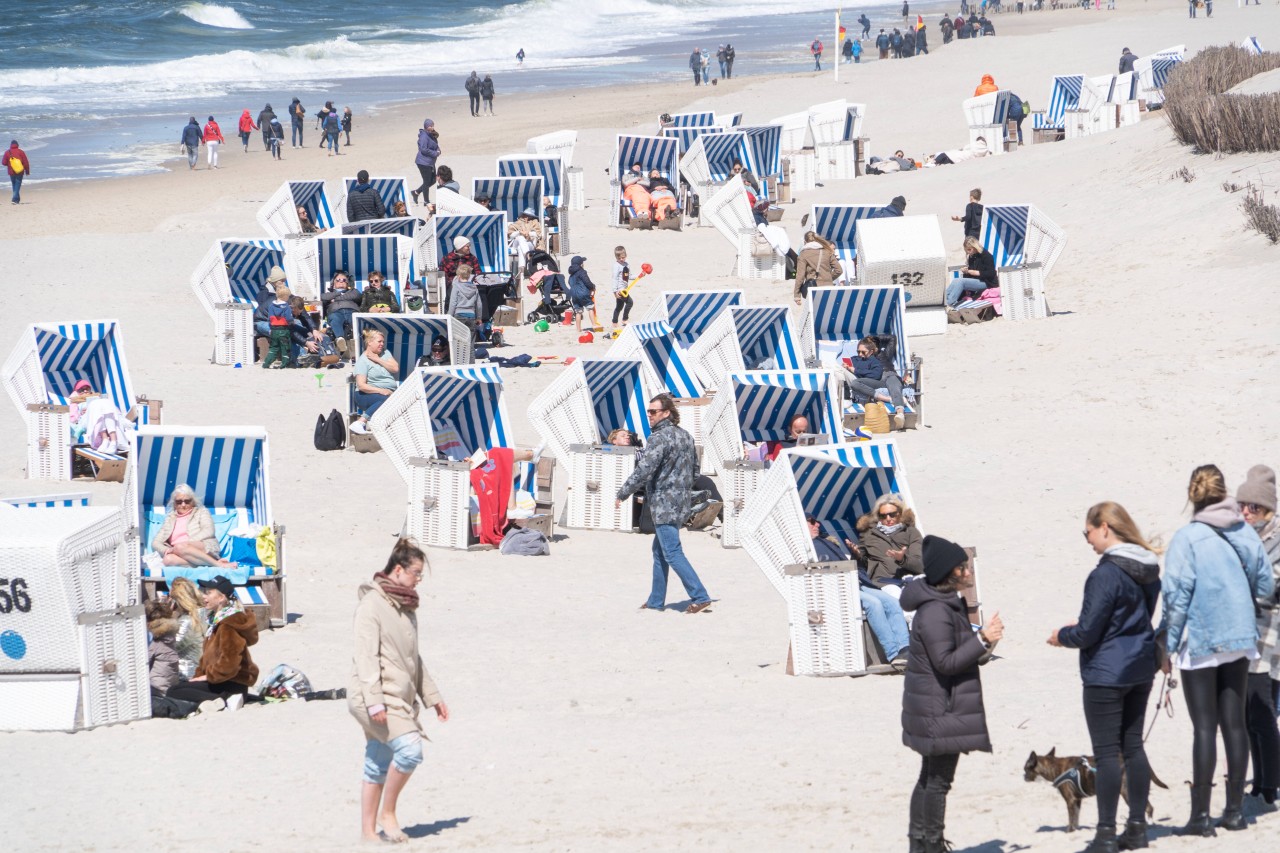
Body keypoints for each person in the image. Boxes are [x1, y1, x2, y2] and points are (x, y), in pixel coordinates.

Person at [1163, 464, 1274, 836]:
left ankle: (1198, 818)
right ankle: (1235, 813)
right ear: (1224, 493)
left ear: (1192, 496)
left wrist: (1166, 644)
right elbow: (1264, 583)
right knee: (1236, 725)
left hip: (1204, 638)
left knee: (1205, 729)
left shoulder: (1187, 538)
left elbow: (1176, 598)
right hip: (1241, 637)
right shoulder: (1245, 532)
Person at [1048, 502, 1162, 852]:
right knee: (1134, 748)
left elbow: (1088, 633)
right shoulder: (1148, 567)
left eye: (1087, 533)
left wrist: (1061, 636)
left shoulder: (1105, 574)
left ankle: (1107, 833)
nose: (1087, 540)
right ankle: (1137, 828)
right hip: (1140, 665)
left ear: (1104, 527)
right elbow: (1140, 616)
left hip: (1107, 672)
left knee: (1108, 754)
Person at [901, 535, 1003, 853]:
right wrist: (983, 638)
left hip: (936, 705)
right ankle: (930, 844)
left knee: (929, 777)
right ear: (950, 572)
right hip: (939, 708)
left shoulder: (945, 604)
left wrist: (987, 643)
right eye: (964, 567)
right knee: (938, 781)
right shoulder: (935, 611)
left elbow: (961, 653)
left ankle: (921, 844)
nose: (969, 572)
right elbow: (946, 663)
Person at [350, 539, 449, 844]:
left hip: (399, 695)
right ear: (398, 569)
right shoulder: (371, 605)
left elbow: (413, 659)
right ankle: (387, 814)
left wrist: (433, 698)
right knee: (409, 750)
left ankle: (368, 833)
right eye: (416, 573)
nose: (419, 579)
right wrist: (375, 702)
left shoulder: (406, 608)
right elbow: (365, 657)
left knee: (378, 759)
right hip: (373, 696)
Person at [617, 394, 713, 614]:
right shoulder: (686, 436)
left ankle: (700, 595)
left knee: (671, 552)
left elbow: (644, 469)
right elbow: (695, 471)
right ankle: (655, 600)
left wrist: (623, 492)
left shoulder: (658, 438)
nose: (649, 415)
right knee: (660, 551)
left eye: (653, 412)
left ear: (666, 413)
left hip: (664, 503)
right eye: (648, 411)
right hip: (681, 502)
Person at [810, 517, 910, 663]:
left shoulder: (828, 541)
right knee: (874, 604)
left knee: (892, 602)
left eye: (816, 521)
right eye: (812, 521)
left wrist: (855, 556)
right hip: (839, 588)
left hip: (857, 582)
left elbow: (852, 566)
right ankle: (893, 653)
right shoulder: (807, 547)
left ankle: (905, 648)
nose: (817, 524)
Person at [1237, 465, 1280, 806]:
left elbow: (1270, 591)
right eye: (1243, 505)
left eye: (1254, 507)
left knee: (1264, 712)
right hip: (1245, 638)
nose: (1247, 512)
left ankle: (1269, 784)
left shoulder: (1277, 539)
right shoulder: (1242, 536)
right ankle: (1260, 780)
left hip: (1271, 642)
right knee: (1249, 714)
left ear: (1269, 509)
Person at [166, 575, 258, 711]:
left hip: (230, 681)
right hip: (221, 679)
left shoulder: (228, 623)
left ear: (221, 598)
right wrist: (199, 677)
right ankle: (227, 698)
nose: (204, 597)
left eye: (209, 593)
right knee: (179, 688)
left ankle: (224, 699)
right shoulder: (215, 620)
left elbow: (230, 662)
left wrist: (208, 676)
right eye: (204, 592)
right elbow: (207, 658)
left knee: (173, 692)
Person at [151, 484, 233, 568]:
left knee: (180, 547)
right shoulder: (169, 519)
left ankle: (218, 564)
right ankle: (211, 563)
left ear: (193, 502)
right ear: (174, 504)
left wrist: (187, 543)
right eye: (179, 502)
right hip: (179, 552)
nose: (183, 505)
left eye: (187, 501)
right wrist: (167, 550)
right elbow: (156, 542)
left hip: (204, 547)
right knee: (167, 560)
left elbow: (209, 531)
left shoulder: (201, 512)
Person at [857, 495, 924, 588]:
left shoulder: (911, 532)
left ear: (900, 513)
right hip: (882, 582)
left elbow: (920, 566)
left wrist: (902, 559)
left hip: (908, 579)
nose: (888, 519)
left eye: (892, 514)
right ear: (878, 516)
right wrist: (856, 554)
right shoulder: (868, 533)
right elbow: (860, 565)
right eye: (883, 516)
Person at [351, 330, 400, 433]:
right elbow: (361, 386)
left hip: (386, 393)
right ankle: (360, 422)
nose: (382, 344)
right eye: (379, 341)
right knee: (387, 399)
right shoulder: (363, 361)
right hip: (365, 395)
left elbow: (395, 368)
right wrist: (381, 390)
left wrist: (378, 359)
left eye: (383, 342)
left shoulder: (385, 353)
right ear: (369, 342)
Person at [168, 576, 207, 679]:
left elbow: (171, 647)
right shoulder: (204, 613)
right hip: (200, 670)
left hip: (186, 675)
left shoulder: (186, 621)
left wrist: (168, 617)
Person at [946, 237, 998, 308]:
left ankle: (949, 302)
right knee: (956, 280)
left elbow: (991, 273)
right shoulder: (972, 256)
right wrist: (966, 271)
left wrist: (976, 272)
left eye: (969, 249)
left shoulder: (986, 256)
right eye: (967, 250)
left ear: (974, 247)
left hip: (987, 283)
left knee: (961, 282)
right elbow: (971, 272)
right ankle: (945, 299)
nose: (968, 252)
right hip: (978, 280)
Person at [794, 231, 843, 303]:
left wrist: (797, 295)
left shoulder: (803, 254)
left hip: (814, 288)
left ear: (805, 241)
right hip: (829, 286)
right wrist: (828, 278)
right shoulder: (827, 251)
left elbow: (800, 276)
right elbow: (839, 270)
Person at [322, 271, 361, 356]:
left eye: (344, 280)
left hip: (352, 311)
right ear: (333, 283)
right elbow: (324, 297)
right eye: (338, 280)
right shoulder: (329, 294)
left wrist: (335, 299)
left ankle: (357, 343)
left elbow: (356, 296)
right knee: (335, 318)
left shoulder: (353, 291)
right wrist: (338, 292)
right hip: (336, 312)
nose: (341, 281)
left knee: (355, 320)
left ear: (347, 283)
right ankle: (340, 340)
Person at [253, 266, 288, 347]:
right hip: (263, 321)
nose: (284, 283)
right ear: (275, 281)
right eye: (282, 281)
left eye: (284, 281)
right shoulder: (263, 294)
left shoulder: (279, 291)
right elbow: (264, 313)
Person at [263, 283, 294, 368]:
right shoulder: (286, 306)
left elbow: (270, 318)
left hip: (274, 330)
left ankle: (266, 363)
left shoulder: (271, 306)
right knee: (285, 348)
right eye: (288, 296)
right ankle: (284, 364)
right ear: (285, 297)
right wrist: (292, 322)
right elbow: (288, 318)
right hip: (283, 330)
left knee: (273, 348)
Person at [567, 255, 601, 334]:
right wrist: (592, 286)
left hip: (574, 295)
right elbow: (587, 282)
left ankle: (578, 329)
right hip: (583, 293)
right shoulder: (582, 272)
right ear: (581, 264)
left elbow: (569, 283)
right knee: (590, 308)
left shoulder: (571, 275)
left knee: (578, 312)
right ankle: (594, 324)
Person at [447, 263, 481, 339]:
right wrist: (479, 317)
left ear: (458, 276)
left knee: (459, 341)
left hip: (459, 316)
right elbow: (478, 304)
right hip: (471, 316)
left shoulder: (456, 286)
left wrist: (450, 316)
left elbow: (453, 303)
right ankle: (471, 351)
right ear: (469, 276)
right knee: (471, 341)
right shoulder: (474, 288)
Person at [411, 119, 440, 206]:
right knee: (426, 181)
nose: (432, 127)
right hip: (423, 162)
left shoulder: (431, 135)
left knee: (434, 180)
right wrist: (435, 153)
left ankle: (416, 192)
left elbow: (435, 145)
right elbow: (423, 149)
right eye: (430, 126)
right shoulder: (423, 136)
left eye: (432, 125)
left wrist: (438, 150)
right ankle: (426, 201)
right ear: (426, 126)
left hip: (430, 161)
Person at [507, 207, 543, 276]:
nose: (526, 217)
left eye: (529, 216)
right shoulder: (516, 223)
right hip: (516, 243)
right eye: (525, 215)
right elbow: (510, 235)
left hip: (530, 243)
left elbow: (537, 234)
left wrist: (528, 233)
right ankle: (528, 257)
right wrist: (520, 232)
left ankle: (521, 271)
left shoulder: (535, 223)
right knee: (520, 238)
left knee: (521, 248)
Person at [611, 245, 633, 328]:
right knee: (630, 303)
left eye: (623, 257)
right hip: (620, 290)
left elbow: (629, 276)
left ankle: (614, 322)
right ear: (616, 257)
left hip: (625, 289)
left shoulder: (626, 265)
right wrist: (615, 291)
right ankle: (624, 319)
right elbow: (614, 278)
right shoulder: (616, 266)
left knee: (619, 306)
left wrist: (639, 275)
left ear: (625, 255)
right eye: (619, 258)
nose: (621, 259)